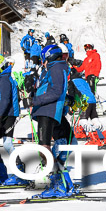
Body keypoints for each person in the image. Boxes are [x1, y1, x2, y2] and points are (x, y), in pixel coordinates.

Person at [30, 44, 74, 198]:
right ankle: (65, 182)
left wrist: (33, 101)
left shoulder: (56, 67)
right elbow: (55, 89)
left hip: (47, 110)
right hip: (47, 110)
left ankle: (58, 185)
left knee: (44, 149)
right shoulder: (57, 67)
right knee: (49, 149)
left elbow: (55, 91)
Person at [0, 54, 28, 186]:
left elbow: (6, 100)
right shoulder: (1, 78)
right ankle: (1, 172)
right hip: (3, 114)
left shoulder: (4, 80)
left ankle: (20, 172)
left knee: (7, 143)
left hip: (10, 114)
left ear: (2, 67)